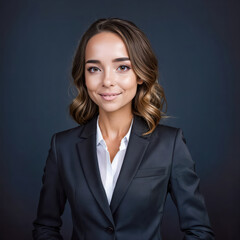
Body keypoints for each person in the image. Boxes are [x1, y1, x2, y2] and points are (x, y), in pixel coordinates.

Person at [32, 18, 215, 240]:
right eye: (94, 68)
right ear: (84, 76)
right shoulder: (62, 147)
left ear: (140, 74)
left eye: (122, 67)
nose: (107, 81)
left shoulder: (170, 144)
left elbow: (199, 231)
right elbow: (45, 228)